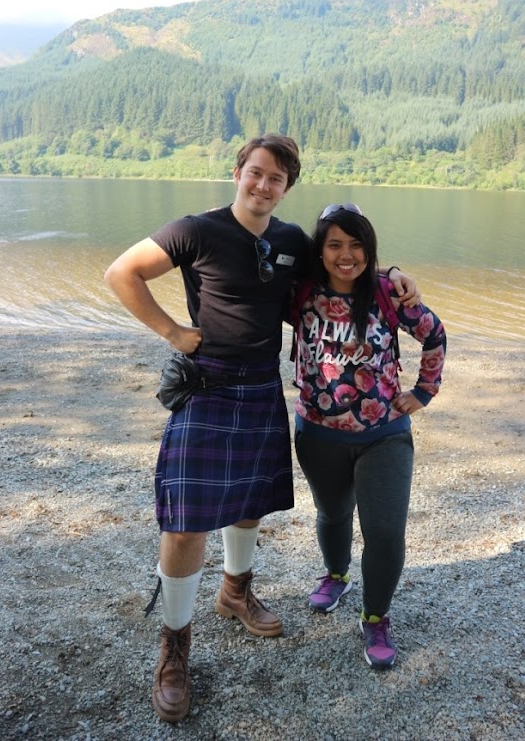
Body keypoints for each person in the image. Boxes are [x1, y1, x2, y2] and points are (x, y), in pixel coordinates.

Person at [104, 136, 418, 723]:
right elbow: (122, 273)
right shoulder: (195, 230)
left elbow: (343, 267)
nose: (263, 185)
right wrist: (173, 332)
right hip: (207, 385)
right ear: (238, 173)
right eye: (256, 173)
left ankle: (235, 591)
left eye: (276, 179)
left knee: (248, 504)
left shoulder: (291, 240)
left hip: (260, 387)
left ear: (287, 187)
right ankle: (174, 648)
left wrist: (393, 274)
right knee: (185, 522)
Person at [292, 203, 446, 670]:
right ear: (320, 250)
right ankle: (336, 575)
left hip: (385, 435)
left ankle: (376, 616)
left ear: (369, 248)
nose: (346, 255)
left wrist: (424, 390)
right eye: (335, 244)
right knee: (333, 513)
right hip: (317, 433)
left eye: (356, 245)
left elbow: (435, 335)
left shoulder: (387, 294)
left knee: (385, 532)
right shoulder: (299, 293)